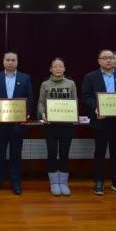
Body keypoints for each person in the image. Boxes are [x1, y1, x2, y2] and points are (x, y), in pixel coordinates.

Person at [82, 49, 116, 197]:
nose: (109, 60)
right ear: (99, 61)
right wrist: (96, 107)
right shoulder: (91, 77)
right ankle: (98, 182)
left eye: (111, 57)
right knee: (100, 151)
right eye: (105, 58)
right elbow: (86, 96)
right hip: (100, 120)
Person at [0, 50, 34, 195]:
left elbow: (30, 99)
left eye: (13, 60)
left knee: (16, 154)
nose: (10, 62)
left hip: (17, 125)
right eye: (8, 60)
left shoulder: (24, 78)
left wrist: (26, 114)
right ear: (3, 62)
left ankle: (16, 182)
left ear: (17, 62)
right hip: (0, 124)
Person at [37, 57, 77, 196]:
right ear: (51, 69)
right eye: (55, 66)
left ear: (64, 69)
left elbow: (75, 101)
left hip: (67, 125)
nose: (58, 68)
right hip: (51, 125)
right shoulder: (45, 84)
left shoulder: (71, 83)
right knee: (52, 152)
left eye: (61, 66)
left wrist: (74, 114)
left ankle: (63, 183)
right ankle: (54, 183)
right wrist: (42, 113)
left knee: (65, 153)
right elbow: (41, 103)